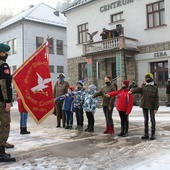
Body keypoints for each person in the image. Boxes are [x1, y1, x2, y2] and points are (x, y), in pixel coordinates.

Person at [129, 73, 159, 140]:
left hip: (152, 105)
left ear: (151, 79)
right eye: (146, 78)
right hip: (144, 104)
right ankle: (146, 134)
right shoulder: (143, 86)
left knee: (152, 119)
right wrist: (131, 91)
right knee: (146, 119)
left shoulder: (155, 87)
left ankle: (153, 134)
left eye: (148, 78)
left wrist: (156, 108)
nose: (147, 79)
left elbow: (156, 98)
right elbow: (138, 90)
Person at [0, 43, 16, 162]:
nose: (6, 55)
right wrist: (7, 101)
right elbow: (4, 84)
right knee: (4, 124)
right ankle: (1, 152)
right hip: (1, 101)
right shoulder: (3, 65)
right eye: (5, 53)